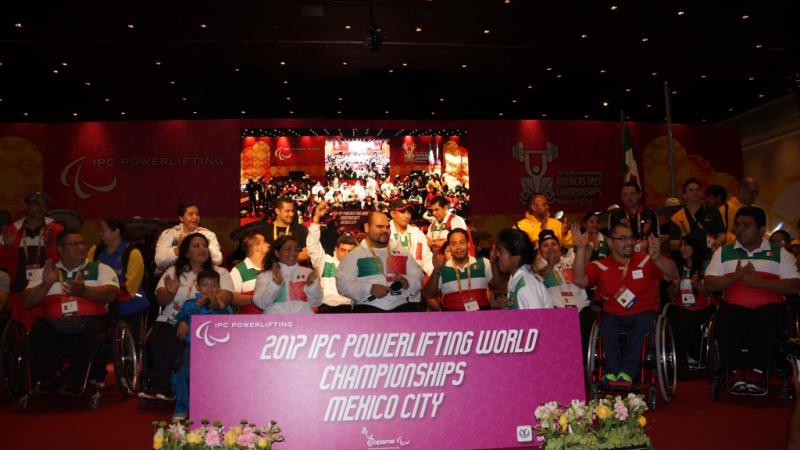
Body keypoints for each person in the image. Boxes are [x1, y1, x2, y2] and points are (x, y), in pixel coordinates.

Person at [704, 206, 800, 394]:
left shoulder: (780, 253)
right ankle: (735, 372)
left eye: (746, 225)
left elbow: (795, 285)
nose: (740, 229)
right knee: (728, 314)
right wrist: (735, 277)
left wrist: (759, 282)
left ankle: (759, 372)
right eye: (737, 225)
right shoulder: (724, 252)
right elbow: (710, 284)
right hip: (734, 306)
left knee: (768, 315)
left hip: (769, 307)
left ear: (762, 230)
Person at [572, 222, 678, 387]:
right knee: (606, 322)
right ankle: (613, 372)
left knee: (642, 322)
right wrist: (580, 249)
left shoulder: (646, 260)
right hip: (614, 315)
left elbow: (673, 272)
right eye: (622, 238)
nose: (629, 242)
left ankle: (627, 372)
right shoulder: (600, 265)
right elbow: (579, 280)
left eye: (631, 238)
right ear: (610, 243)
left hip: (644, 313)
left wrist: (657, 258)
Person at [23, 229, 120, 396]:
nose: (81, 247)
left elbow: (111, 293)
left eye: (82, 243)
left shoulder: (100, 268)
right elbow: (27, 302)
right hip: (54, 321)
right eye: (74, 244)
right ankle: (50, 377)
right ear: (60, 249)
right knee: (39, 330)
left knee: (92, 331)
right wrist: (45, 285)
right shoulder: (46, 271)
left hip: (91, 319)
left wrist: (83, 291)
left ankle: (74, 380)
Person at [142, 233, 233, 399]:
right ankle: (158, 383)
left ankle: (163, 386)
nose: (202, 249)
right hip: (170, 317)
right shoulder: (174, 271)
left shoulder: (220, 273)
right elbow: (160, 298)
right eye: (196, 246)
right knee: (160, 333)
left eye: (204, 245)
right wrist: (170, 292)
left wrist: (208, 300)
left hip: (203, 321)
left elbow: (225, 299)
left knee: (177, 335)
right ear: (186, 253)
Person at [172, 269, 233, 421]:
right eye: (205, 285)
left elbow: (232, 326)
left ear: (219, 287)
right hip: (193, 349)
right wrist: (182, 322)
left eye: (213, 285)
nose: (209, 289)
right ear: (197, 287)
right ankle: (182, 408)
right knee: (182, 372)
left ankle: (223, 406)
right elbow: (180, 318)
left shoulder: (224, 307)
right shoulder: (189, 304)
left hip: (218, 351)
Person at [337, 211, 425, 312]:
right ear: (367, 227)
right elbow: (342, 285)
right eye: (379, 227)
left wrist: (408, 282)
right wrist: (370, 288)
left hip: (401, 306)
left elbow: (419, 278)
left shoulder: (402, 251)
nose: (385, 230)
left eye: (387, 227)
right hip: (367, 308)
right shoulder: (355, 255)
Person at [0, 192, 64, 329]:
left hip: (46, 292)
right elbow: (3, 264)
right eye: (36, 203)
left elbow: (64, 261)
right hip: (19, 293)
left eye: (44, 204)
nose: (40, 207)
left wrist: (50, 244)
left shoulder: (57, 230)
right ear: (26, 206)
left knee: (44, 334)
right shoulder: (12, 231)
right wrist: (9, 247)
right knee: (19, 333)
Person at [87, 219, 150, 344]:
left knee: (129, 343)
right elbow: (87, 279)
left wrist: (104, 295)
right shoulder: (95, 251)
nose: (100, 233)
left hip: (129, 307)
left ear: (116, 231)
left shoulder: (132, 253)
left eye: (103, 230)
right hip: (100, 306)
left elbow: (130, 289)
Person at [536, 229, 594, 352]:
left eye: (554, 244)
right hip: (556, 310)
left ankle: (583, 365)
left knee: (589, 317)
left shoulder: (570, 260)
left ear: (560, 246)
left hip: (581, 308)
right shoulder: (537, 266)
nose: (550, 248)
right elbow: (539, 280)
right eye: (545, 246)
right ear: (540, 251)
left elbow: (587, 252)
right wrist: (550, 265)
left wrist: (584, 245)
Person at [667, 236, 716, 379]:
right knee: (676, 317)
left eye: (686, 245)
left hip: (702, 309)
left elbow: (712, 292)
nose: (682, 248)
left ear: (695, 248)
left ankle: (696, 356)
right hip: (682, 309)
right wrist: (676, 285)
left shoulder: (705, 266)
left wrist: (697, 285)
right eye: (681, 246)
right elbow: (671, 296)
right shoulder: (677, 267)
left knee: (691, 320)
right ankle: (680, 367)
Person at [423, 229, 494, 311]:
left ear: (468, 244)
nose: (458, 247)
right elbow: (428, 294)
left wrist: (495, 264)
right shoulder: (442, 268)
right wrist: (436, 270)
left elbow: (499, 286)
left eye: (462, 242)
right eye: (453, 244)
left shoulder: (484, 263)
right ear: (449, 246)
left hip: (482, 316)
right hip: (452, 318)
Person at [307, 202, 358, 313]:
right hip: (327, 307)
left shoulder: (359, 267)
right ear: (335, 249)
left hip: (350, 309)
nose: (347, 255)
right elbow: (312, 246)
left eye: (350, 252)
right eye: (343, 250)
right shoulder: (324, 261)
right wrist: (316, 219)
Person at [253, 235, 322, 314]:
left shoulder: (308, 273)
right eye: (288, 249)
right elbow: (261, 304)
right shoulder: (265, 276)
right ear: (277, 253)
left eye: (296, 249)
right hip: (276, 324)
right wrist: (275, 284)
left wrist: (312, 286)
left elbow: (316, 302)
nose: (293, 253)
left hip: (303, 324)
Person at [491, 228, 551, 309]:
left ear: (516, 258)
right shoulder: (516, 280)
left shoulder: (526, 286)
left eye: (501, 252)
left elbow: (536, 320)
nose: (497, 255)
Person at [154, 201, 222, 272]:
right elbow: (159, 261)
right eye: (190, 214)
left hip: (201, 275)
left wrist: (205, 248)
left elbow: (218, 260)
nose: (195, 217)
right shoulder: (169, 234)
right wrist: (178, 250)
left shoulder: (208, 235)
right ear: (181, 218)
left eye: (197, 214)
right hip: (175, 275)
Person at [668, 178, 726, 257]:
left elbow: (722, 234)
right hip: (689, 259)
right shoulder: (677, 217)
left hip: (710, 255)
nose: (695, 192)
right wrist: (689, 244)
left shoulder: (712, 211)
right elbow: (672, 244)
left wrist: (718, 242)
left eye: (697, 190)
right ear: (684, 195)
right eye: (691, 190)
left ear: (701, 193)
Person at [608, 182, 659, 251]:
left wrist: (646, 244)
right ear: (621, 197)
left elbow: (656, 238)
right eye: (625, 195)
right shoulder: (615, 215)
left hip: (646, 253)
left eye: (632, 194)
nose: (628, 197)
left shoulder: (650, 214)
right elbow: (611, 241)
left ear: (639, 195)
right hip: (623, 254)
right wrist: (635, 247)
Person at [389, 199, 433, 275]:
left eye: (409, 212)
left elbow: (427, 259)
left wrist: (435, 278)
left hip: (417, 281)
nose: (407, 216)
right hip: (392, 281)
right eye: (402, 212)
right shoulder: (385, 234)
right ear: (392, 214)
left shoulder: (417, 233)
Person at [230, 231, 270, 314]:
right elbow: (232, 298)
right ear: (256, 247)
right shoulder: (238, 270)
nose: (269, 245)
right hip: (249, 322)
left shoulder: (272, 267)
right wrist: (255, 299)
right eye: (265, 242)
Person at [267, 197, 309, 263]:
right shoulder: (266, 230)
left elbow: (307, 252)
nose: (291, 214)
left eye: (292, 211)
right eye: (287, 211)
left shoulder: (301, 229)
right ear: (277, 211)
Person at [721, 177, 760, 244]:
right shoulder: (725, 209)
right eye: (751, 192)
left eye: (757, 193)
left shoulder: (758, 211)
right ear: (741, 190)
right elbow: (722, 234)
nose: (754, 196)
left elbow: (761, 232)